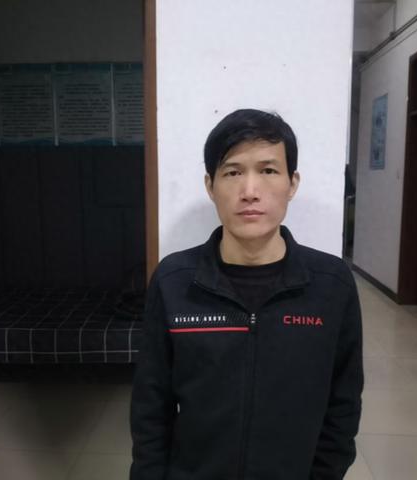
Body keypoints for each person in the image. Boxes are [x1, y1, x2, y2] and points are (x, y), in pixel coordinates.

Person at [130, 108, 363, 479]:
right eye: (233, 172)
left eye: (268, 171)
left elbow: (343, 404)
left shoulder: (331, 284)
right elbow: (150, 406)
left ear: (292, 183)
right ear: (210, 186)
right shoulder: (173, 281)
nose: (250, 192)